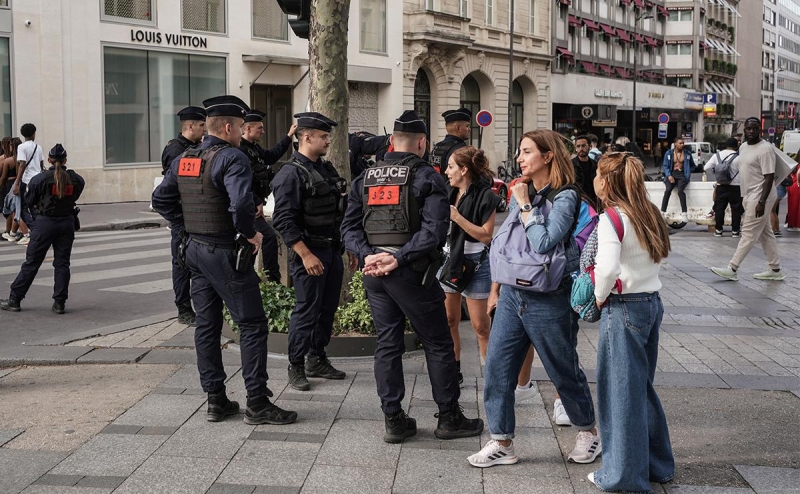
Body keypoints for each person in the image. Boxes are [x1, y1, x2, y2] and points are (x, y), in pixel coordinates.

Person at [152, 95, 297, 425]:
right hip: (223, 253)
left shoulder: (186, 157)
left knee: (207, 324)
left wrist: (184, 226)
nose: (242, 131)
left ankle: (216, 399)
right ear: (230, 127)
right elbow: (240, 204)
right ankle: (258, 402)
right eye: (241, 126)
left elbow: (161, 199)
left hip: (194, 252)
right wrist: (251, 234)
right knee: (252, 324)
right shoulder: (232, 157)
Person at [341, 110, 484, 444]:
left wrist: (369, 256)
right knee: (437, 342)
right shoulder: (427, 176)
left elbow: (347, 228)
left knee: (387, 344)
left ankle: (393, 420)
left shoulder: (365, 178)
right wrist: (398, 258)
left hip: (374, 273)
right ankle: (449, 418)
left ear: (391, 141)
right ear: (422, 143)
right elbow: (435, 231)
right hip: (412, 274)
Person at [468, 129, 600, 468]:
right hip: (514, 292)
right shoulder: (520, 192)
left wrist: (526, 204)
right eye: (520, 152)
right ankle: (501, 441)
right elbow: (508, 243)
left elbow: (545, 242)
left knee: (562, 369)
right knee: (497, 367)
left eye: (526, 152)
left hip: (549, 295)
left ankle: (588, 432)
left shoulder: (566, 196)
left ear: (548, 156)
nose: (519, 158)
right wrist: (496, 289)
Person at [586, 152, 674, 493]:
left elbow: (606, 269)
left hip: (623, 306)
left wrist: (597, 297)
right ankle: (657, 465)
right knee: (641, 389)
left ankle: (623, 476)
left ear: (607, 181)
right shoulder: (648, 212)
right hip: (651, 303)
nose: (594, 178)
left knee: (620, 393)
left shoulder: (612, 217)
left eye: (597, 173)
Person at [271, 112, 351, 392]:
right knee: (306, 310)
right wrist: (305, 254)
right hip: (310, 253)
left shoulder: (325, 169)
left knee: (327, 309)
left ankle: (316, 358)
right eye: (324, 136)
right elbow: (283, 221)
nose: (328, 140)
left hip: (331, 250)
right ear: (306, 137)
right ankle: (296, 364)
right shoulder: (290, 174)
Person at [0, 144, 85, 313]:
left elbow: (29, 201)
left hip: (45, 223)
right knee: (62, 264)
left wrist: (35, 222)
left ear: (49, 160)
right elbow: (75, 195)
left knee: (32, 262)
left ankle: (15, 299)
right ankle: (59, 303)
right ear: (65, 160)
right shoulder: (76, 179)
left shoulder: (40, 179)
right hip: (66, 222)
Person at [440, 146, 500, 381]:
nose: (446, 171)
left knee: (480, 326)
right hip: (448, 261)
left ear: (464, 170)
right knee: (449, 320)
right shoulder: (447, 191)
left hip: (475, 263)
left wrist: (457, 218)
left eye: (451, 167)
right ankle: (454, 372)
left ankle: (492, 377)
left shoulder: (486, 196)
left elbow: (486, 235)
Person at [711, 117, 785, 282]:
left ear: (760, 130)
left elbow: (769, 177)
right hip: (748, 194)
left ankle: (732, 267)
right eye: (748, 129)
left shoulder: (765, 149)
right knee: (766, 234)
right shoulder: (743, 147)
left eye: (755, 129)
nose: (751, 132)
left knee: (748, 233)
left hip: (760, 196)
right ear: (744, 130)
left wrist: (762, 202)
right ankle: (775, 269)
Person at [160, 106, 207, 325]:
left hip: (196, 216)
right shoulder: (177, 150)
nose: (204, 129)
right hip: (183, 217)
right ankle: (184, 309)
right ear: (190, 126)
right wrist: (178, 219)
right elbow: (180, 187)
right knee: (181, 265)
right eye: (201, 125)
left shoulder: (196, 147)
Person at [240, 109, 297, 283]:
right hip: (248, 205)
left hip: (254, 205)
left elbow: (271, 156)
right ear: (248, 128)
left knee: (251, 242)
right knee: (268, 237)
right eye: (260, 128)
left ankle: (249, 275)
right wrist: (256, 201)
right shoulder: (241, 150)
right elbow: (243, 181)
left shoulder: (254, 148)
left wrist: (288, 136)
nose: (263, 132)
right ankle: (272, 279)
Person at [13, 123, 45, 244]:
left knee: (23, 209)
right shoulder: (38, 147)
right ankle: (40, 230)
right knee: (35, 207)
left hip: (27, 181)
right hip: (38, 180)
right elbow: (41, 165)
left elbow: (22, 164)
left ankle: (35, 230)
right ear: (34, 134)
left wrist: (17, 182)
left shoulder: (21, 147)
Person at [705, 137, 743, 237]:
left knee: (719, 208)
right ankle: (735, 231)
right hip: (736, 186)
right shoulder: (739, 157)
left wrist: (716, 174)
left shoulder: (717, 155)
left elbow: (706, 167)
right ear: (736, 146)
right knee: (736, 209)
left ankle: (718, 230)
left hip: (721, 185)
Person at [660, 137, 694, 223]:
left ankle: (684, 214)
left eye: (683, 143)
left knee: (680, 191)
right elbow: (665, 166)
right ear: (675, 144)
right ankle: (662, 212)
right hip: (672, 174)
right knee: (667, 190)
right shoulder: (669, 153)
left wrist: (689, 171)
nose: (682, 145)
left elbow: (693, 166)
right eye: (680, 143)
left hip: (682, 175)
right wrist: (669, 176)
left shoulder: (687, 154)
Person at [430, 108, 472, 176]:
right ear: (458, 128)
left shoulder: (437, 147)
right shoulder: (461, 150)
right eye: (467, 126)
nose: (469, 129)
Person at [572, 135, 598, 207]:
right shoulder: (571, 165)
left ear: (589, 146)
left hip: (594, 201)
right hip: (578, 201)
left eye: (583, 146)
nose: (581, 149)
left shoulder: (595, 164)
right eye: (578, 146)